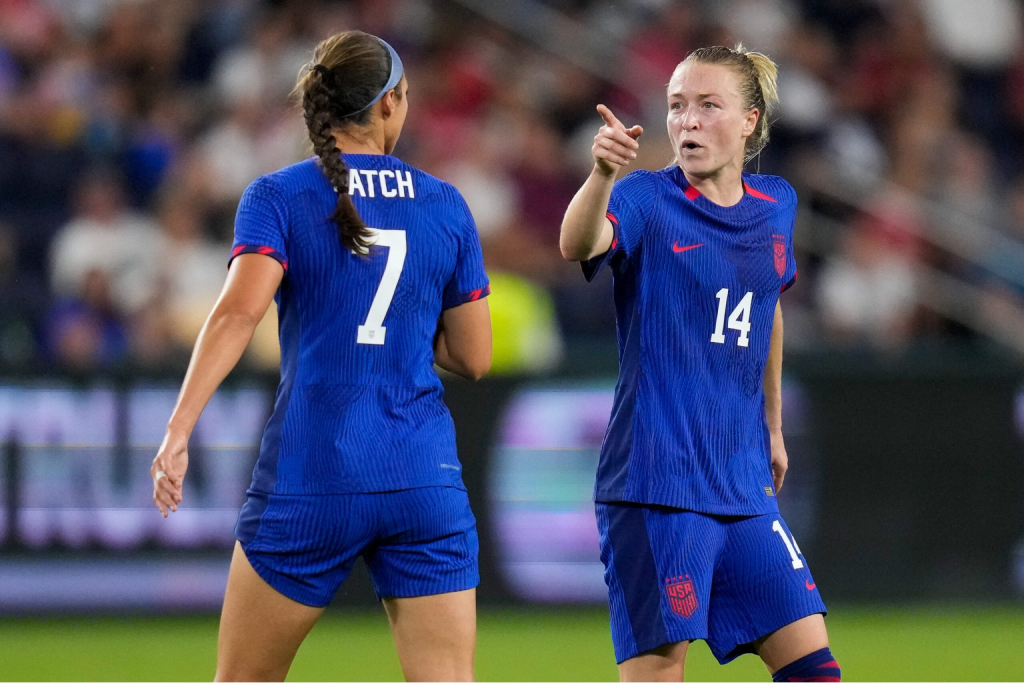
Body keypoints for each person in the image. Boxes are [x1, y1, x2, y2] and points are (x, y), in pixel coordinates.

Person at [150, 31, 491, 683]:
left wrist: (179, 429)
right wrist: (407, 328)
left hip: (314, 473)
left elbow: (237, 314)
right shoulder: (446, 204)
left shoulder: (278, 195)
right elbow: (474, 355)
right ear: (389, 103)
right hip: (423, 476)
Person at [559, 45, 840, 683]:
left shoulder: (776, 206)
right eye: (677, 106)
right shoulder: (644, 200)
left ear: (750, 119)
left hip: (742, 484)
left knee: (815, 669)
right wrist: (599, 174)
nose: (688, 121)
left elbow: (767, 307)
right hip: (657, 485)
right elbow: (577, 242)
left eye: (708, 105)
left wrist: (771, 424)